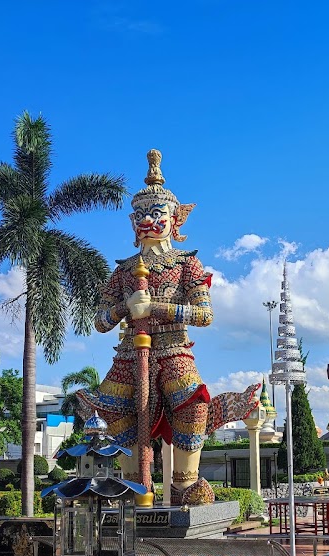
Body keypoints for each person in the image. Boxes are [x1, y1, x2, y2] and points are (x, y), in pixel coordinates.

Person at [80, 149, 257, 505]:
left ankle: (183, 482)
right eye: (140, 214)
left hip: (174, 348)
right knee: (112, 406)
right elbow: (99, 321)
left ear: (174, 219)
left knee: (192, 403)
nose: (148, 220)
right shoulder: (123, 271)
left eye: (156, 213)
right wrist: (123, 309)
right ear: (132, 221)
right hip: (131, 352)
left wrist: (156, 307)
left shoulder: (187, 265)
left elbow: (204, 315)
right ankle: (133, 483)